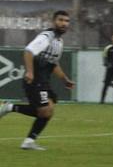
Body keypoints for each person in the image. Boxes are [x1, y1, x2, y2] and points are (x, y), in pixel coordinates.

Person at [1, 10, 75, 150]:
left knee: (48, 109)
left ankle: (29, 141)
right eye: (60, 20)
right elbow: (28, 51)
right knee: (45, 110)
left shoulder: (59, 41)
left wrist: (65, 79)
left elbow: (53, 63)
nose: (64, 23)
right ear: (54, 21)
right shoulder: (47, 36)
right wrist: (29, 72)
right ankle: (10, 108)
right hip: (35, 79)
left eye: (66, 21)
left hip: (44, 80)